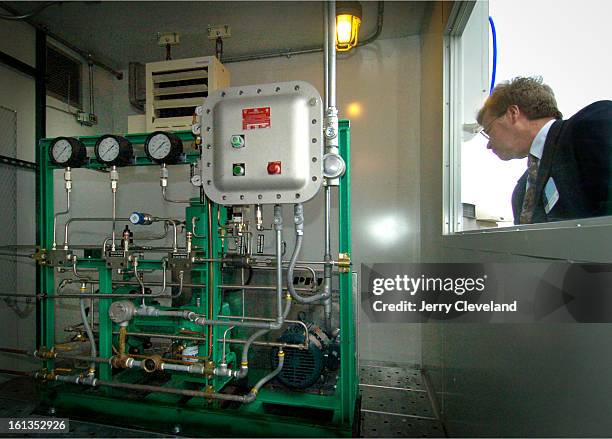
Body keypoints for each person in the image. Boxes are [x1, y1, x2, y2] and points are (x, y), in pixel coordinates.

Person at [477, 76, 612, 224]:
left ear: (513, 113)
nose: (488, 145)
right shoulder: (522, 191)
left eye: (488, 131)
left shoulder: (593, 123)